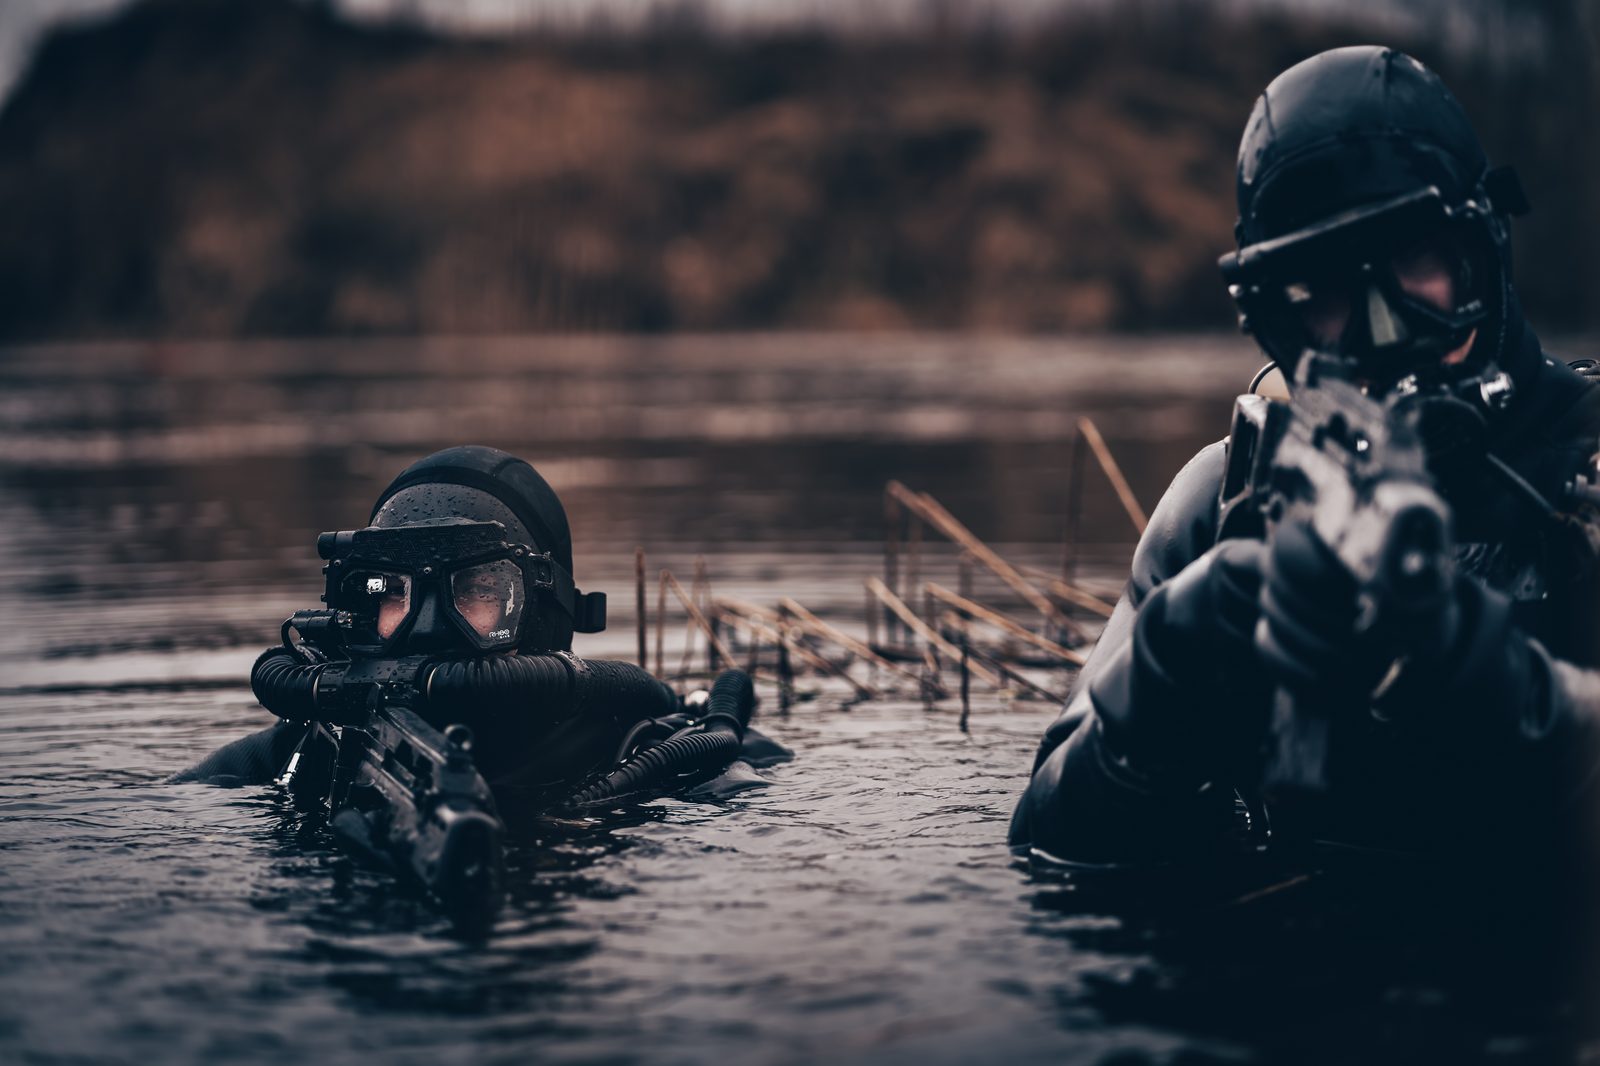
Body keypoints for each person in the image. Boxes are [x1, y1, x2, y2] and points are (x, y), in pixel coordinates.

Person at [1010, 47, 1600, 866]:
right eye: (1323, 293)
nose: (1379, 332)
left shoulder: (1589, 472)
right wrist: (1159, 694)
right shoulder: (1224, 508)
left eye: (1414, 262)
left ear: (1486, 252)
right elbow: (1046, 839)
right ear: (1273, 319)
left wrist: (1492, 686)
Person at [175, 445, 788, 812]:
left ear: (544, 612)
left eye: (478, 591)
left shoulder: (647, 748)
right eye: (392, 592)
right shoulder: (308, 748)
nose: (428, 627)